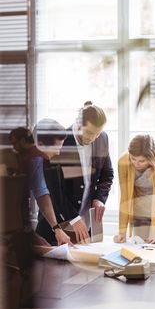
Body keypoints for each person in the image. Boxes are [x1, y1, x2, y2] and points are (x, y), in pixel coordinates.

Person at [9, 123, 72, 246]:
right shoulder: (37, 159)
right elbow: (42, 194)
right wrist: (57, 229)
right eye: (56, 147)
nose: (58, 153)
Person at [61, 101, 114, 243]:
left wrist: (99, 198)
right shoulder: (61, 142)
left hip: (88, 225)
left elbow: (107, 175)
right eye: (89, 132)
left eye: (97, 133)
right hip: (61, 224)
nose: (93, 138)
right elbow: (55, 191)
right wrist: (73, 218)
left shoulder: (102, 139)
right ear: (78, 123)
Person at [114, 134, 155, 243]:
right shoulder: (123, 161)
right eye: (133, 159)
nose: (136, 164)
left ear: (151, 157)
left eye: (141, 161)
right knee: (141, 246)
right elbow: (125, 198)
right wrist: (122, 233)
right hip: (140, 208)